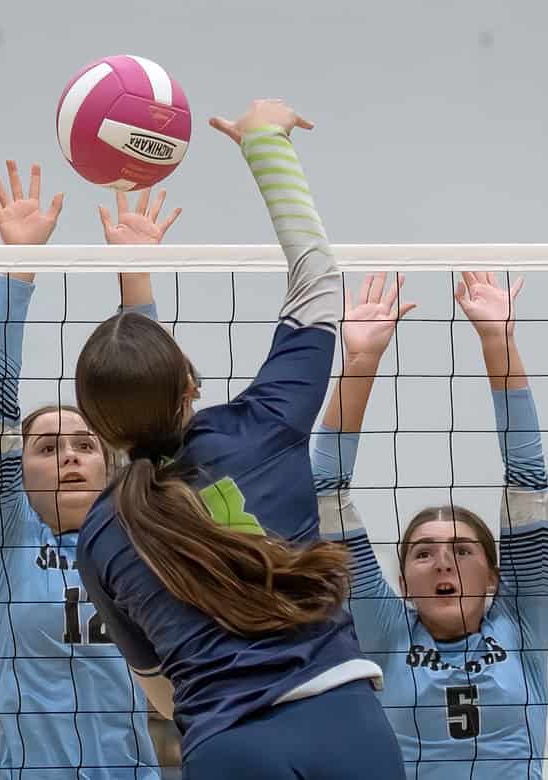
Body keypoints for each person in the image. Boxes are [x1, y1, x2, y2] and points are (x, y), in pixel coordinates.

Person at [73, 99, 405, 780]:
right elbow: (317, 285)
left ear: (99, 430)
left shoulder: (103, 535)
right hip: (346, 727)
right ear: (188, 385)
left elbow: (163, 697)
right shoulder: (264, 427)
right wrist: (265, 144)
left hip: (228, 747)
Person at [0, 160, 181, 779]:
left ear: (110, 461)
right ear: (20, 470)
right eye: (46, 446)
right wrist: (19, 267)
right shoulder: (3, 536)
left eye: (85, 444)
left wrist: (135, 274)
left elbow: (153, 403)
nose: (67, 456)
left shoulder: (136, 531)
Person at [313, 271, 548, 779]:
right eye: (423, 552)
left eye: (462, 551)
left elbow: (527, 482)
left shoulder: (520, 621)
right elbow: (325, 488)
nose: (443, 559)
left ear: (494, 576)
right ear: (402, 582)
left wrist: (499, 340)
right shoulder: (387, 630)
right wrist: (361, 363)